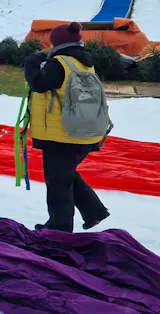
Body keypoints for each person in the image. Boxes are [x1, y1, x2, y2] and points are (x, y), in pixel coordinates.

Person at [23, 22, 110, 233]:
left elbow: (38, 84)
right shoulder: (84, 63)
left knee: (57, 182)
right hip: (84, 133)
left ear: (57, 42)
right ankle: (94, 211)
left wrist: (31, 63)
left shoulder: (59, 63)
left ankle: (59, 228)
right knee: (64, 174)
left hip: (62, 136)